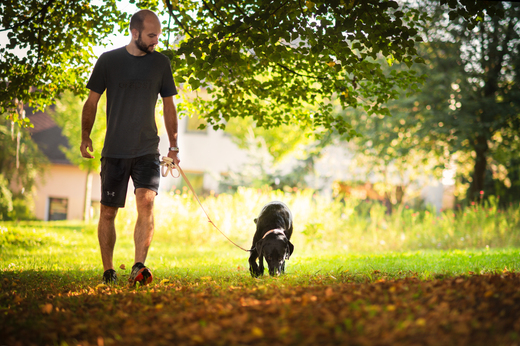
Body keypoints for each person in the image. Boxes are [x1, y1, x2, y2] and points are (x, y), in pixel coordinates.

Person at [80, 9, 180, 286]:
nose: (156, 41)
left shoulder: (161, 63)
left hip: (147, 149)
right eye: (151, 35)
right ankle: (108, 270)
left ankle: (138, 266)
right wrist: (85, 136)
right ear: (134, 32)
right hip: (114, 151)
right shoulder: (108, 61)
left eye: (158, 36)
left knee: (146, 203)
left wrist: (174, 146)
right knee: (108, 211)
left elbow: (170, 105)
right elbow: (92, 101)